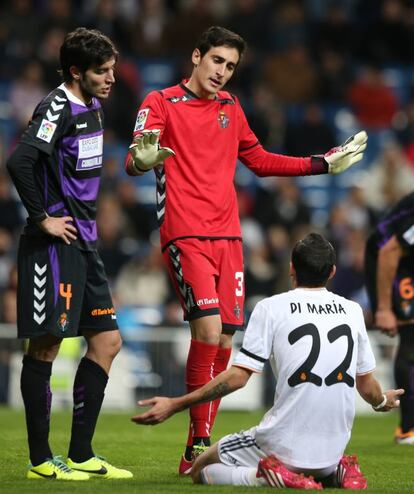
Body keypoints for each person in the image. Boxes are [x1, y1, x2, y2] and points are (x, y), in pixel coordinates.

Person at [124, 25, 368, 474]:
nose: (223, 72)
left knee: (224, 339)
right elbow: (135, 157)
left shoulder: (231, 108)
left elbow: (259, 159)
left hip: (229, 237)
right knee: (207, 329)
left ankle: (197, 444)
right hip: (186, 234)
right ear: (196, 56)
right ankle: (198, 443)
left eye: (231, 66)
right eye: (217, 60)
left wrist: (322, 164)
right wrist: (143, 158)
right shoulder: (160, 102)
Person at [132, 233, 403, 489]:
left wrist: (176, 404)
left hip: (282, 444)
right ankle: (333, 474)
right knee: (314, 459)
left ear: (291, 269)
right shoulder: (353, 311)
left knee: (200, 469)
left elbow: (238, 377)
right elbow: (367, 387)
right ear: (332, 272)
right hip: (332, 452)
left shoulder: (271, 307)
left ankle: (266, 477)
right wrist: (382, 402)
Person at [6, 27, 132, 480]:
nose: (111, 79)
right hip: (52, 244)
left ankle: (81, 453)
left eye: (113, 70)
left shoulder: (94, 107)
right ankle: (41, 460)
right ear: (76, 72)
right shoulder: (55, 106)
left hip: (85, 241)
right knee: (46, 347)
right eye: (102, 72)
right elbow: (19, 162)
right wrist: (42, 218)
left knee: (107, 342)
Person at [365, 191, 414, 444]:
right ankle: (408, 430)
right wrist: (383, 309)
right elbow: (388, 251)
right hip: (392, 260)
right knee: (411, 341)